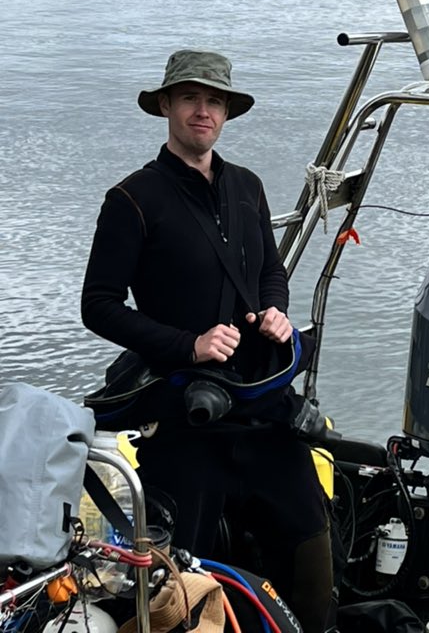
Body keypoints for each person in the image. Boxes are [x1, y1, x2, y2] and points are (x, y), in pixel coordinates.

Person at [81, 49, 332, 633]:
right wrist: (187, 344)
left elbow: (270, 270)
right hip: (184, 418)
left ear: (226, 113)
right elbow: (98, 306)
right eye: (191, 98)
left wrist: (277, 311)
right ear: (166, 105)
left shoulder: (247, 186)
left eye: (214, 101)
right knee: (178, 578)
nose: (203, 111)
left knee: (308, 536)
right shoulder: (131, 200)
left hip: (260, 410)